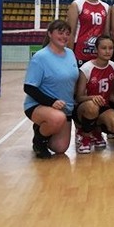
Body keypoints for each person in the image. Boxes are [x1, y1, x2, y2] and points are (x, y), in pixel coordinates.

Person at [23, 20, 79, 159]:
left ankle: (43, 129)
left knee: (60, 148)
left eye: (67, 33)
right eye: (60, 33)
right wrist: (51, 102)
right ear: (50, 34)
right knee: (57, 118)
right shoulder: (41, 57)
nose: (64, 36)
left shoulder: (70, 53)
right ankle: (39, 141)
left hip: (65, 107)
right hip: (39, 105)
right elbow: (29, 87)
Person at [75, 35, 114, 153]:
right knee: (92, 106)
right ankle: (85, 138)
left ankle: (96, 131)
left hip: (104, 107)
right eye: (104, 48)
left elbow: (111, 92)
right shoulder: (86, 68)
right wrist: (93, 97)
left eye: (111, 48)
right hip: (85, 107)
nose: (108, 51)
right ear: (96, 50)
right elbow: (78, 97)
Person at [67, 0, 110, 66]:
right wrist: (69, 56)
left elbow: (106, 34)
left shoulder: (106, 7)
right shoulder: (77, 4)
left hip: (98, 55)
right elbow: (71, 33)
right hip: (79, 53)